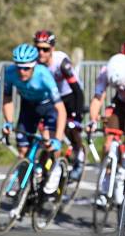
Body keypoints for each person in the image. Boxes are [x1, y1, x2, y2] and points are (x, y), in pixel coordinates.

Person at [2, 43, 67, 195]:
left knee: (49, 142)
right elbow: (7, 98)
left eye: (26, 68)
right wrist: (8, 122)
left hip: (48, 107)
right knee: (23, 151)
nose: (22, 72)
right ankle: (23, 192)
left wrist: (57, 139)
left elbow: (61, 111)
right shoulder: (10, 72)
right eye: (19, 67)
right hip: (28, 107)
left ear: (34, 65)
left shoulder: (44, 75)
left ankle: (55, 168)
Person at [34, 30, 86, 180]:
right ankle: (48, 168)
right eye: (38, 48)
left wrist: (77, 114)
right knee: (48, 136)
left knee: (71, 129)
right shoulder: (35, 63)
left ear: (52, 49)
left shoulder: (61, 62)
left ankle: (79, 157)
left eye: (45, 49)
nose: (41, 52)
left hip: (69, 97)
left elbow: (77, 89)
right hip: (52, 100)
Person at [88, 51, 125, 206]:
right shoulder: (108, 70)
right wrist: (92, 120)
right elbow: (98, 98)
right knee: (108, 142)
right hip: (120, 103)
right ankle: (105, 181)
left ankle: (121, 176)